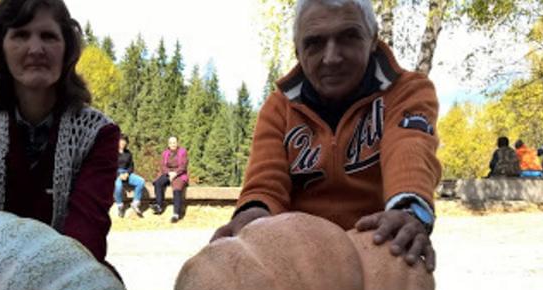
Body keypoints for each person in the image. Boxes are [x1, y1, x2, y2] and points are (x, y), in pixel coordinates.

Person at [212, 0, 442, 271]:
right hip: (297, 260)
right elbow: (265, 181)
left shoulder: (408, 91)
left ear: (372, 40)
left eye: (348, 37)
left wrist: (407, 211)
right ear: (298, 51)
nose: (331, 57)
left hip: (379, 248)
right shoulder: (279, 107)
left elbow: (409, 149)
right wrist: (251, 216)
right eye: (314, 43)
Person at [0, 0, 120, 269]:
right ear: (0, 47)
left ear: (67, 49)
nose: (36, 49)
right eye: (20, 35)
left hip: (63, 276)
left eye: (48, 36)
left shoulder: (99, 133)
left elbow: (87, 229)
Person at [152, 136, 190, 223]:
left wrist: (175, 173)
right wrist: (169, 173)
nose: (173, 144)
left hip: (179, 174)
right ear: (168, 144)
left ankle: (176, 214)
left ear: (177, 143)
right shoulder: (165, 153)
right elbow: (162, 166)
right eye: (171, 143)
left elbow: (183, 166)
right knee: (158, 183)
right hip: (168, 173)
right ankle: (159, 205)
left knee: (177, 188)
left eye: (174, 142)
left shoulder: (183, 151)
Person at [114, 134, 146, 217]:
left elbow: (131, 166)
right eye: (121, 140)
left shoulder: (128, 153)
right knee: (118, 186)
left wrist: (127, 173)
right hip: (115, 174)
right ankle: (120, 205)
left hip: (127, 173)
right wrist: (119, 175)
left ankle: (135, 203)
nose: (122, 143)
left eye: (124, 141)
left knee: (141, 181)